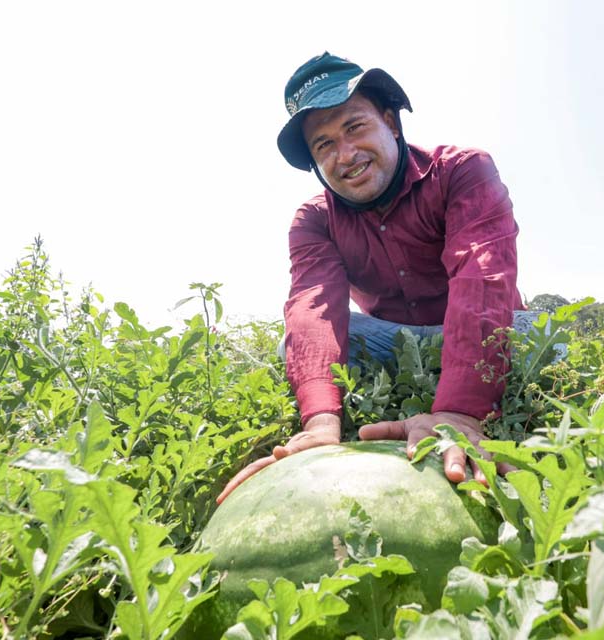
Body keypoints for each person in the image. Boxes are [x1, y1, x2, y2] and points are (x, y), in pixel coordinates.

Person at [217, 52, 532, 504]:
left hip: (483, 330)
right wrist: (321, 420)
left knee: (541, 338)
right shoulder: (315, 220)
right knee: (293, 344)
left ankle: (467, 391)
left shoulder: (462, 170)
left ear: (390, 123)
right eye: (324, 145)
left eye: (354, 127)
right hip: (396, 342)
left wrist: (459, 412)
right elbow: (313, 308)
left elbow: (481, 279)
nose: (345, 154)